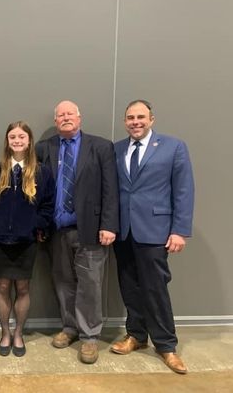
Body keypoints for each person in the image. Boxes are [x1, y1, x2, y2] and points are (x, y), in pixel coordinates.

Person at [110, 100, 194, 374]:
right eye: (131, 118)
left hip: (155, 229)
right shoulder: (117, 149)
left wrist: (180, 230)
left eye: (141, 117)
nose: (136, 122)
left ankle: (166, 345)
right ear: (125, 121)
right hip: (123, 230)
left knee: (155, 287)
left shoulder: (173, 147)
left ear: (151, 119)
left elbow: (183, 190)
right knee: (129, 285)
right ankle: (136, 335)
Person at [36, 100, 119, 364]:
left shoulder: (101, 147)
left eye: (70, 113)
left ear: (80, 118)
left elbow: (111, 190)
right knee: (63, 282)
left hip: (91, 231)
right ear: (55, 120)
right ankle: (70, 328)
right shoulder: (44, 148)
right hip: (57, 231)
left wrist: (108, 225)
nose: (65, 118)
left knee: (91, 285)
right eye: (60, 115)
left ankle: (90, 337)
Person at [0, 121, 54, 357]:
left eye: (21, 137)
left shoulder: (42, 172)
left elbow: (47, 205)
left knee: (23, 287)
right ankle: (5, 332)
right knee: (3, 285)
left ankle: (18, 333)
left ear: (29, 141)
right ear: (7, 141)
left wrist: (37, 225)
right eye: (12, 136)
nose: (17, 140)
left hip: (27, 240)